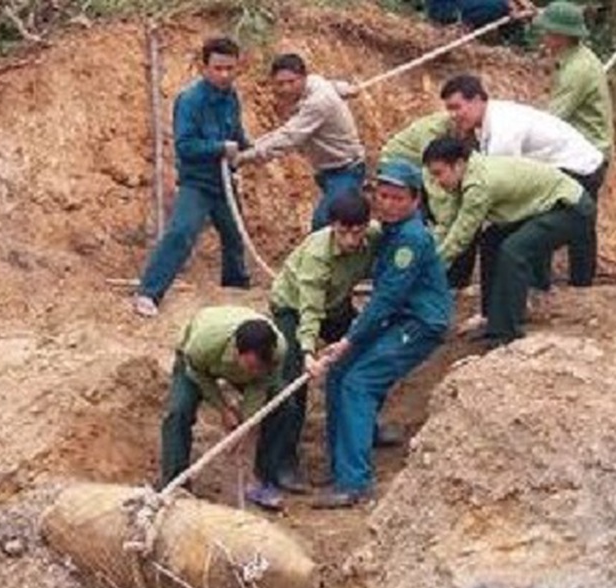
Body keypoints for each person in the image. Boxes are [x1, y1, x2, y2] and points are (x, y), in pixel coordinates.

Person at [313, 161, 453, 509]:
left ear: (415, 200)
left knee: (359, 382)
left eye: (396, 197)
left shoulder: (410, 239)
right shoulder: (389, 231)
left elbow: (387, 298)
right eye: (382, 195)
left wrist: (349, 338)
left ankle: (354, 482)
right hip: (400, 317)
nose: (387, 203)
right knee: (339, 375)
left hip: (418, 324)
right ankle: (353, 448)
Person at [422, 137, 596, 346]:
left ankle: (505, 331)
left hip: (570, 208)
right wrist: (431, 256)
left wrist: (432, 269)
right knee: (491, 240)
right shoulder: (468, 175)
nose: (437, 181)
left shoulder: (479, 184)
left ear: (458, 164)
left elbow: (461, 236)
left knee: (514, 251)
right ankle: (492, 317)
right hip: (543, 207)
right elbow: (450, 222)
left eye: (439, 173)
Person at [440, 74, 605, 289]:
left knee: (536, 221)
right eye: (449, 110)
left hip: (579, 166)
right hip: (562, 164)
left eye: (456, 107)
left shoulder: (503, 128)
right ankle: (548, 285)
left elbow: (503, 187)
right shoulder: (492, 120)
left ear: (478, 99)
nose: (453, 115)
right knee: (537, 221)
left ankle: (572, 287)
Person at [267, 190, 381, 496]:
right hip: (294, 307)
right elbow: (310, 308)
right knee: (294, 382)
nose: (350, 239)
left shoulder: (375, 235)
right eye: (343, 232)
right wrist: (307, 352)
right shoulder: (318, 254)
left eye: (356, 232)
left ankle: (367, 428)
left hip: (337, 303)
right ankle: (283, 462)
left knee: (367, 356)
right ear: (333, 226)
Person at [134, 37, 250, 318]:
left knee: (234, 235)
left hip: (224, 182)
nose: (224, 74)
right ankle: (148, 293)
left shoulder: (231, 96)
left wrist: (251, 148)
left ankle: (235, 289)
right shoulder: (190, 100)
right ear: (204, 67)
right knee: (181, 232)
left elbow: (236, 133)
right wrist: (221, 148)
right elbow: (185, 146)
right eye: (218, 68)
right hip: (198, 182)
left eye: (230, 68)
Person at [158, 306, 288, 511]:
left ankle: (264, 478)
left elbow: (260, 385)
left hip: (237, 362)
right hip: (197, 366)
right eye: (251, 365)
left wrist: (246, 425)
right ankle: (175, 483)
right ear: (237, 352)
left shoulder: (278, 350)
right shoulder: (203, 345)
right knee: (179, 411)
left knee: (284, 405)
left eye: (260, 366)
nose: (255, 371)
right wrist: (223, 409)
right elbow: (198, 374)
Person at [236, 53, 365, 231]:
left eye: (292, 82)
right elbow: (329, 85)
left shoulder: (318, 103)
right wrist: (343, 88)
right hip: (327, 172)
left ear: (303, 78)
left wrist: (246, 156)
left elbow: (289, 137)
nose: (286, 88)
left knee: (324, 223)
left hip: (346, 170)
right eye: (280, 84)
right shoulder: (315, 84)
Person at [536, 0, 615, 283]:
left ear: (561, 35)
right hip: (588, 149)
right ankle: (581, 282)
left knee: (551, 212)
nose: (542, 37)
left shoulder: (576, 70)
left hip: (585, 153)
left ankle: (570, 283)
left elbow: (554, 117)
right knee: (581, 219)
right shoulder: (578, 59)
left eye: (546, 31)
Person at [380, 111, 477, 289]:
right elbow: (433, 179)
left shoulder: (464, 129)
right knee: (412, 216)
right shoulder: (432, 133)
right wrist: (445, 217)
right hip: (398, 165)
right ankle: (399, 265)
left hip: (421, 167)